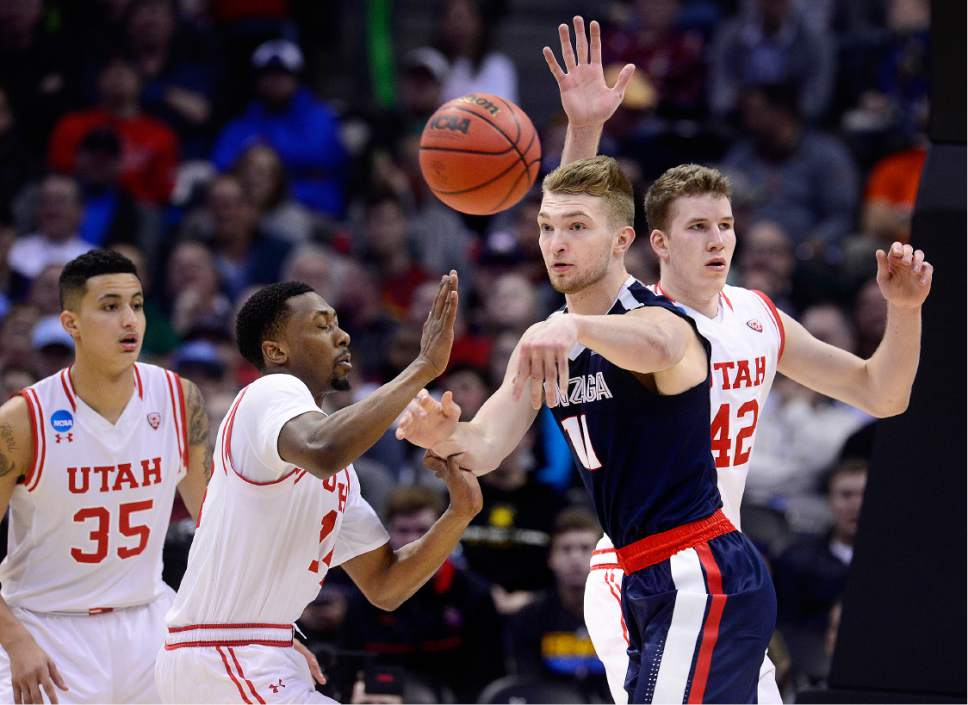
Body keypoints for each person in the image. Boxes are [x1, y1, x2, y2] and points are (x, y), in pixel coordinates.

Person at [538, 16, 933, 703]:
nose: (719, 238)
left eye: (725, 224)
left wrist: (903, 311)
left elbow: (882, 392)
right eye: (698, 226)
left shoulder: (758, 317)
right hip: (642, 564)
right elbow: (580, 242)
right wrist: (585, 128)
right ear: (654, 241)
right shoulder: (635, 316)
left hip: (719, 565)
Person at [397, 163, 777, 700]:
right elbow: (484, 447)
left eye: (577, 227)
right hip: (639, 574)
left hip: (699, 568)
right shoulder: (546, 340)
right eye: (547, 227)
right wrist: (440, 434)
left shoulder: (657, 317)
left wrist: (575, 325)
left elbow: (666, 344)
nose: (557, 243)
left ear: (623, 239)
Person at [154, 273, 484, 704]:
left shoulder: (338, 473)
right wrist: (422, 368)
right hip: (226, 656)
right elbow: (323, 447)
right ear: (276, 351)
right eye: (323, 325)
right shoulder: (269, 392)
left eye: (338, 323)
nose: (343, 334)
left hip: (248, 653)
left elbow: (386, 585)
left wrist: (458, 513)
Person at [0, 249, 211, 703]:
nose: (129, 320)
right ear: (70, 323)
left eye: (136, 305)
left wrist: (267, 626)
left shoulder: (179, 400)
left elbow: (219, 528)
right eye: (110, 306)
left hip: (149, 618)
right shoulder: (21, 421)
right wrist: (16, 644)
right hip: (45, 626)